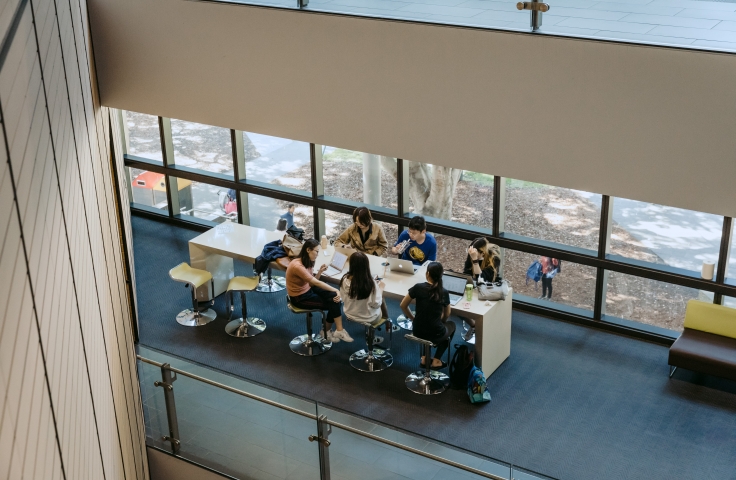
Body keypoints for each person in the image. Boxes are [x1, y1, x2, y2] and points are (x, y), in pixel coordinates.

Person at [286, 239, 354, 343]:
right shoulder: (297, 266)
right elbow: (316, 283)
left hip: (308, 289)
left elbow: (312, 282)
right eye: (317, 251)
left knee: (335, 298)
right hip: (299, 297)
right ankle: (331, 331)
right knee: (334, 302)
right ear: (308, 250)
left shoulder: (307, 261)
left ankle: (330, 331)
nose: (318, 254)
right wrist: (337, 290)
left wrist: (320, 272)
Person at [400, 262, 455, 369]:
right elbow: (447, 313)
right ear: (441, 276)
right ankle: (436, 360)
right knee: (452, 325)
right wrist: (442, 321)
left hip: (417, 330)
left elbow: (403, 305)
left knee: (425, 323)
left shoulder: (418, 287)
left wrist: (413, 319)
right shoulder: (443, 292)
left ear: (427, 273)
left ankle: (425, 358)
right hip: (435, 332)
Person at [461, 237, 503, 341]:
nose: (471, 256)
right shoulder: (473, 254)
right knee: (459, 307)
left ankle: (482, 330)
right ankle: (473, 324)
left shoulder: (494, 258)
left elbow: (481, 279)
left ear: (482, 252)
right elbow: (466, 272)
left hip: (488, 288)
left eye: (475, 254)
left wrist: (475, 261)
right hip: (474, 287)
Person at [340, 251, 390, 324]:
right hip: (369, 318)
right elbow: (376, 304)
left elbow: (343, 298)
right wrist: (380, 288)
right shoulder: (370, 283)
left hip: (349, 314)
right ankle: (387, 322)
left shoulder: (344, 279)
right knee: (381, 297)